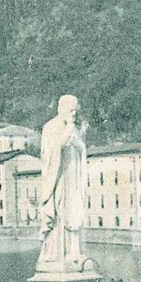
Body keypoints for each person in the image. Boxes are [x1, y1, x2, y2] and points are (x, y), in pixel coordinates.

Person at [37, 95, 88, 271]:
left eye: (76, 110)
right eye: (71, 110)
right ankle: (55, 254)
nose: (74, 114)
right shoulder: (50, 126)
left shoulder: (73, 128)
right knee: (61, 212)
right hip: (58, 180)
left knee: (74, 211)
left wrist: (79, 145)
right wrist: (66, 135)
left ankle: (74, 251)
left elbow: (81, 149)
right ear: (62, 108)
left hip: (72, 178)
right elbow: (48, 154)